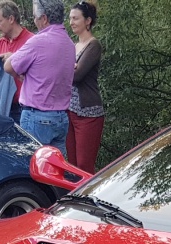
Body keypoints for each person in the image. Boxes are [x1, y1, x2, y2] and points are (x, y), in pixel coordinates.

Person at [3, 0, 74, 151]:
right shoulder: (69, 44)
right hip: (61, 118)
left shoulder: (38, 41)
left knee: (32, 168)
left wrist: (20, 75)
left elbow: (8, 66)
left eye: (35, 17)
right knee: (56, 171)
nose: (34, 21)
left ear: (44, 19)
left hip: (37, 117)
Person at [66, 2, 104, 172]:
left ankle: (91, 197)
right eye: (70, 18)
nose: (71, 22)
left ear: (87, 21)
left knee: (84, 166)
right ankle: (74, 199)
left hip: (88, 113)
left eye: (75, 18)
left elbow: (77, 75)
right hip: (69, 111)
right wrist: (70, 66)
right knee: (72, 165)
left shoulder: (93, 45)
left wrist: (68, 67)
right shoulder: (73, 46)